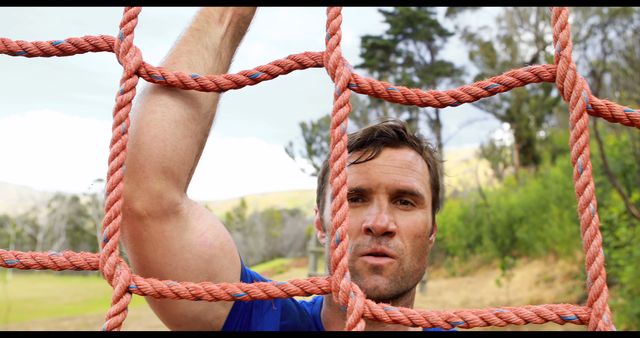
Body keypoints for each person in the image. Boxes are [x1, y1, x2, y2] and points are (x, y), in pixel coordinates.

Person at [121, 7, 443, 331]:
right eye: (355, 198)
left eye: (405, 201)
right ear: (321, 222)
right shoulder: (265, 320)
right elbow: (149, 197)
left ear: (432, 230)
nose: (380, 223)